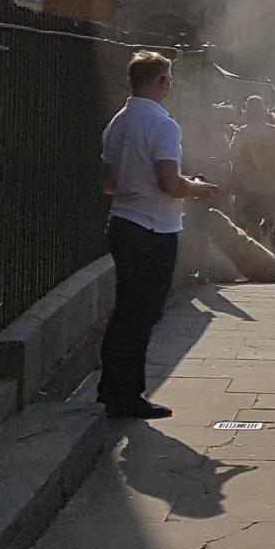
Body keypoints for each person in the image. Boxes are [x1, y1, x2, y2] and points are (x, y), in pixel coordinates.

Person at [96, 52, 216, 419]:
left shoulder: (118, 122)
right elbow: (169, 182)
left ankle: (113, 388)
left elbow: (108, 181)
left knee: (126, 313)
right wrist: (196, 187)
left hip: (123, 221)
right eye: (170, 79)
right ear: (161, 83)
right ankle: (128, 394)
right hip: (153, 229)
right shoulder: (163, 126)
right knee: (143, 314)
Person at [227, 95, 275, 241]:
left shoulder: (242, 132)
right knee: (271, 220)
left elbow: (232, 155)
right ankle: (273, 250)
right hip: (274, 184)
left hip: (250, 184)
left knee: (250, 220)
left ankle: (258, 249)